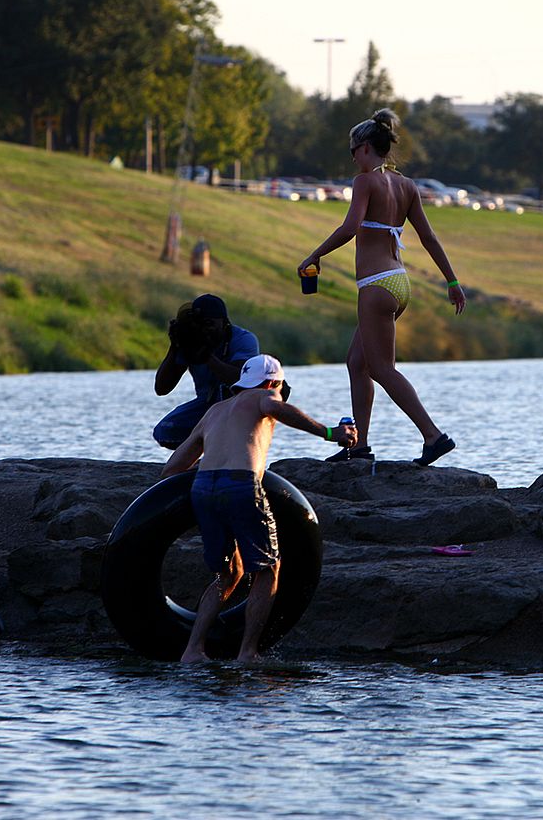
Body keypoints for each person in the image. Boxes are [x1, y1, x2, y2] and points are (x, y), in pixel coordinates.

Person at [160, 354, 356, 663]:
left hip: (203, 488)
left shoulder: (214, 411)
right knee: (267, 569)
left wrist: (214, 464)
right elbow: (277, 408)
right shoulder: (266, 397)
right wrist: (331, 434)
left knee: (227, 574)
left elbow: (172, 469)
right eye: (279, 386)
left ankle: (193, 650)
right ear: (272, 383)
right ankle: (247, 653)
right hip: (240, 485)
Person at [298, 109, 465, 466]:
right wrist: (452, 281)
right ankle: (359, 447)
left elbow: (349, 227)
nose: (352, 159)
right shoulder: (406, 185)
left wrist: (314, 254)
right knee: (357, 362)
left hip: (375, 286)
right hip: (398, 283)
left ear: (365, 148)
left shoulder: (365, 182)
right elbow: (429, 238)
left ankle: (433, 436)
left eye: (352, 151)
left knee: (382, 369)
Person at [153, 294, 260, 449]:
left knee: (226, 394)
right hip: (207, 405)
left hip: (238, 406)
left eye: (209, 323)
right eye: (200, 324)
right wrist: (175, 347)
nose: (205, 329)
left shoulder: (243, 339)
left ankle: (221, 453)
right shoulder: (191, 340)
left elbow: (241, 381)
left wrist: (207, 357)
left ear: (224, 323)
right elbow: (162, 388)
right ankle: (200, 460)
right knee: (165, 431)